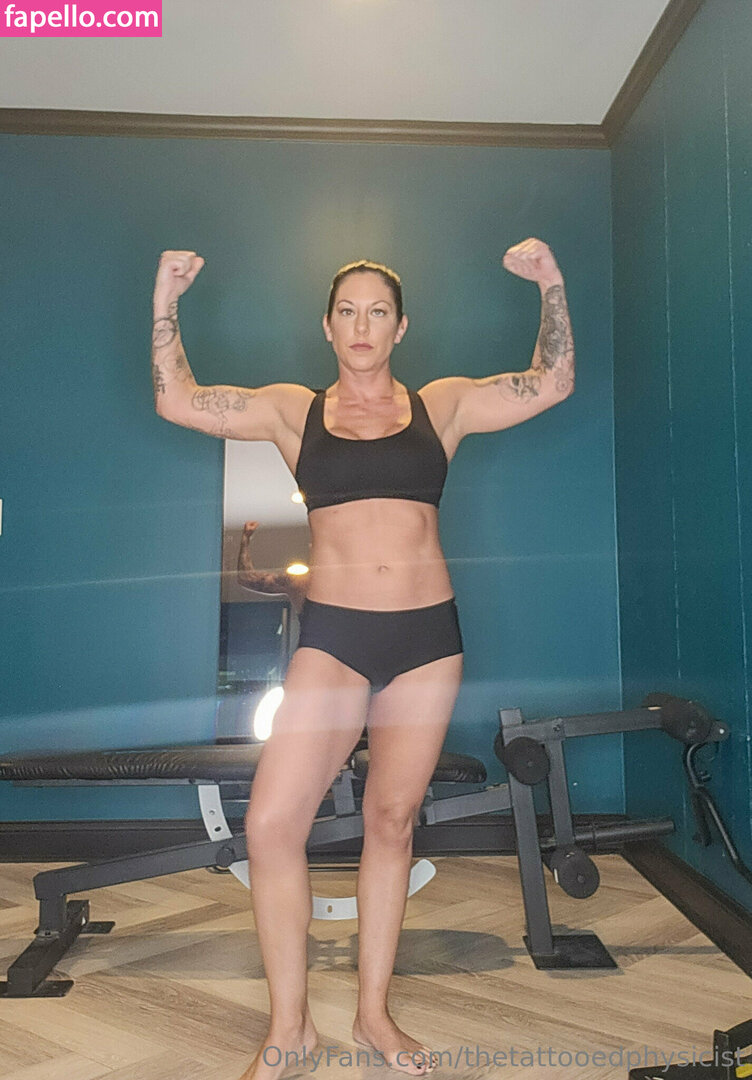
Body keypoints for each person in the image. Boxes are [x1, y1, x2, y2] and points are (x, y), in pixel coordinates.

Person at [151, 241, 575, 1079]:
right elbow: (177, 401)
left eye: (378, 311)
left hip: (426, 640)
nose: (361, 324)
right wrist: (165, 295)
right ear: (327, 325)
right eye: (347, 309)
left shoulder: (442, 406)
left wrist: (550, 282)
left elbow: (551, 381)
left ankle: (374, 1015)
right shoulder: (292, 411)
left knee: (391, 821)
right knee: (271, 824)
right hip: (337, 636)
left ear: (400, 327)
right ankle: (291, 1029)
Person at [236, 520, 308, 615]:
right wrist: (245, 539)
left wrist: (245, 539)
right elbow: (246, 578)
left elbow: (246, 578)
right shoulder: (298, 582)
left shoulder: (299, 582)